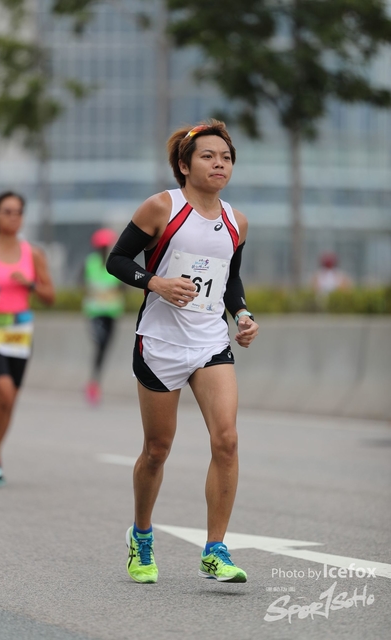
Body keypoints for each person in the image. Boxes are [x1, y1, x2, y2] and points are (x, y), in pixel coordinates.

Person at [107, 120, 259, 584]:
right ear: (185, 165)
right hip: (160, 342)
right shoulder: (162, 207)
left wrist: (242, 314)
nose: (219, 164)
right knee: (157, 450)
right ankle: (141, 535)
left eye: (226, 158)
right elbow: (116, 260)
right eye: (209, 156)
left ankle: (215, 549)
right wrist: (156, 282)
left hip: (210, 341)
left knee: (227, 440)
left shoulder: (236, 221)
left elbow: (229, 278)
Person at [0, 192, 55, 486]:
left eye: (18, 212)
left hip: (19, 335)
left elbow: (50, 296)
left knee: (10, 400)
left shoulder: (33, 254)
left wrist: (29, 284)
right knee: (4, 394)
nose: (14, 217)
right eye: (7, 211)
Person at [83, 228, 125, 405]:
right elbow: (81, 282)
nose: (104, 249)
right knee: (99, 343)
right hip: (95, 312)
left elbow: (123, 286)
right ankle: (94, 383)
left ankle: (95, 381)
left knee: (104, 348)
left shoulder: (115, 263)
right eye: (102, 246)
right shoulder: (90, 263)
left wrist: (113, 291)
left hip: (112, 312)